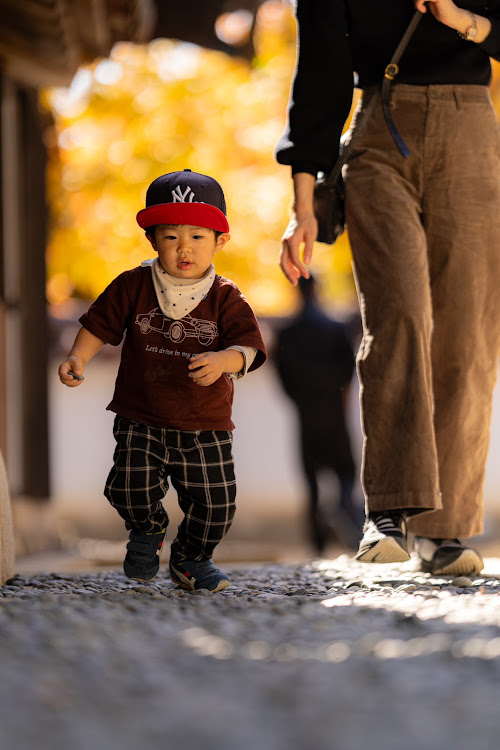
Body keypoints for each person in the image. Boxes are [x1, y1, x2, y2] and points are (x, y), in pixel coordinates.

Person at [275, 0, 500, 576]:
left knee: (469, 333)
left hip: (472, 132)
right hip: (380, 135)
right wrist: (303, 206)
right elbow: (319, 78)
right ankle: (392, 511)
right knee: (398, 315)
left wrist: (459, 19)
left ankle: (443, 534)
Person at [59, 169, 267, 591]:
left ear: (220, 241)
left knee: (217, 504)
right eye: (171, 237)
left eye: (197, 237)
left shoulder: (226, 296)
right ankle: (147, 530)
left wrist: (224, 361)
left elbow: (249, 348)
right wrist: (77, 357)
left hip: (204, 422)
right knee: (131, 484)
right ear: (153, 239)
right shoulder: (133, 285)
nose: (183, 248)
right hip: (142, 415)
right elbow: (99, 326)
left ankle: (191, 557)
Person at [274, 274, 361, 555]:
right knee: (346, 474)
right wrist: (340, 398)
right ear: (318, 290)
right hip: (335, 411)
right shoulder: (335, 329)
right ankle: (343, 513)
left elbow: (283, 379)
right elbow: (350, 371)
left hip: (305, 414)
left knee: (311, 481)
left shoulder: (287, 333)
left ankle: (318, 544)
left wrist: (299, 401)